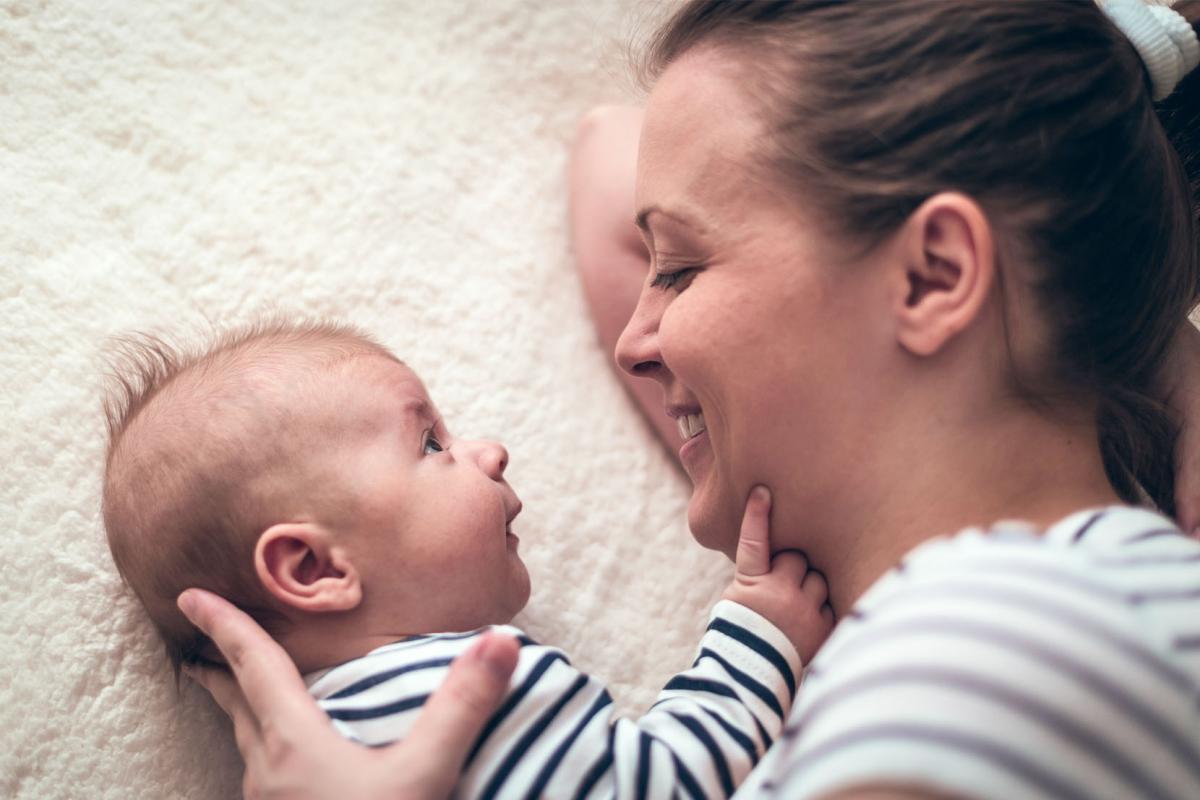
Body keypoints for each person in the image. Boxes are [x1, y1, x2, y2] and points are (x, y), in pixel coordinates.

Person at [179, 0, 1200, 797]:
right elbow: (609, 145)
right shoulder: (1028, 621)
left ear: (933, 278)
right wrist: (1129, 328)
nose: (633, 339)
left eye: (680, 268)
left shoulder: (1008, 639)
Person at [102, 319, 833, 798]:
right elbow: (671, 784)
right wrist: (758, 637)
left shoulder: (317, 753)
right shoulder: (466, 692)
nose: (488, 453)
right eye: (431, 446)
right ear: (316, 569)